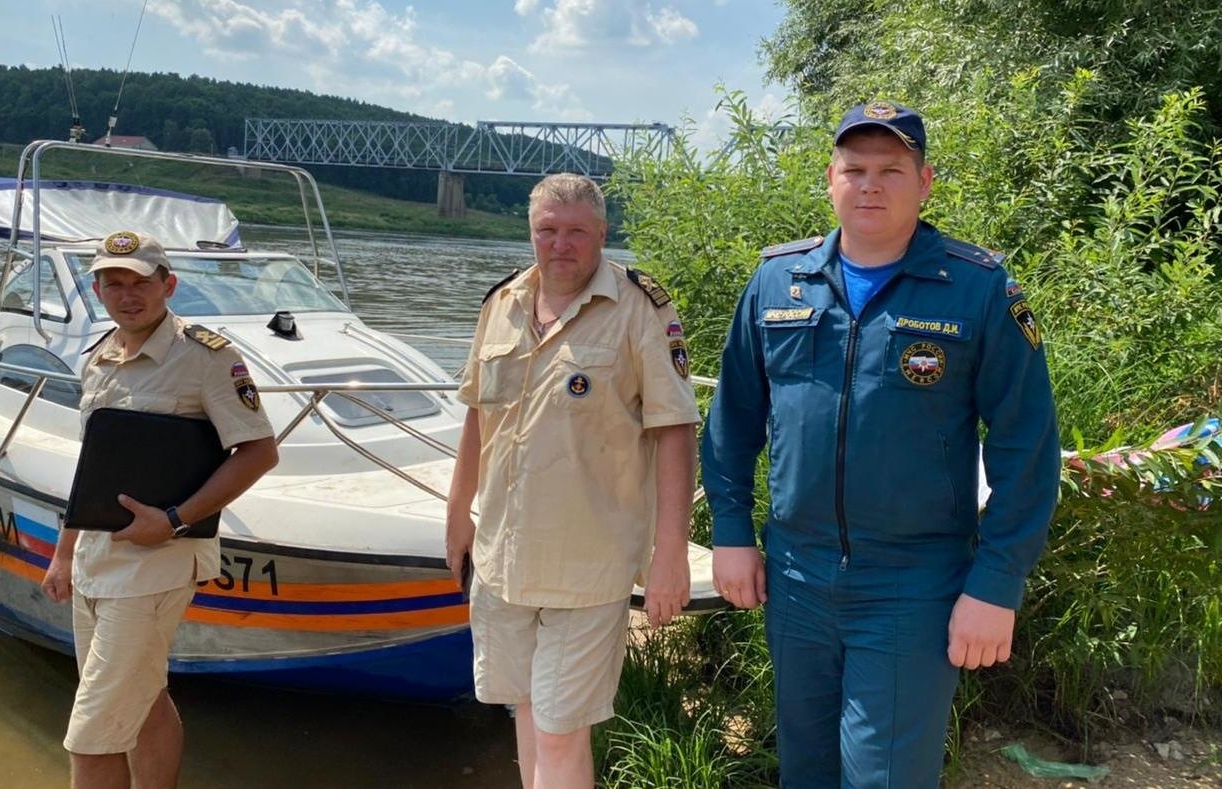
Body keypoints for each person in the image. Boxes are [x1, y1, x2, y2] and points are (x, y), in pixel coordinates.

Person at [701, 101, 1060, 788]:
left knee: (883, 777)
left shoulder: (978, 288)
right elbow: (733, 420)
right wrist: (730, 530)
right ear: (830, 179)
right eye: (855, 168)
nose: (871, 184)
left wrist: (997, 581)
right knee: (804, 771)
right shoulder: (778, 280)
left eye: (891, 169)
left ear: (925, 182)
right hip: (797, 577)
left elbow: (1027, 447)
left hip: (912, 583)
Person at [445, 173, 700, 788]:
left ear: (602, 234)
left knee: (560, 731)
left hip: (590, 563)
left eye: (577, 232)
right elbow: (479, 418)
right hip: (503, 557)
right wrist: (457, 517)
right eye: (547, 230)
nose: (561, 244)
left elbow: (676, 429)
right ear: (530, 231)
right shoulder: (501, 303)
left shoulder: (641, 309)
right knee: (528, 713)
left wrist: (670, 555)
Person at [40, 230, 279, 789]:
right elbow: (93, 470)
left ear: (168, 285)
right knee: (141, 700)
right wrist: (64, 554)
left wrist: (174, 520)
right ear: (97, 290)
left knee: (92, 731)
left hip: (157, 564)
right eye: (113, 283)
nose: (128, 295)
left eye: (141, 283)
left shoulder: (205, 358)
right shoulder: (97, 358)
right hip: (97, 558)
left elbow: (259, 452)